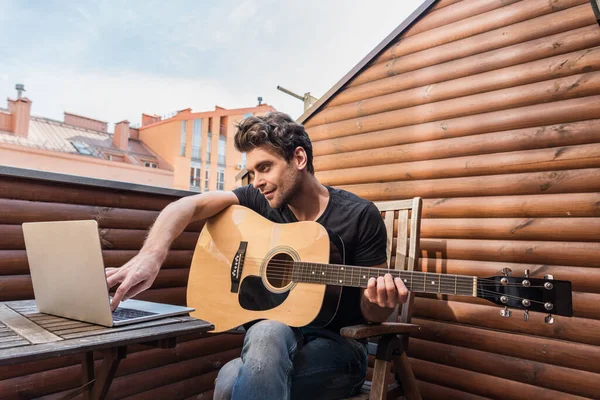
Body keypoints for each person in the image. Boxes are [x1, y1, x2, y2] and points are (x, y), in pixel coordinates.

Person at [105, 111, 409, 400]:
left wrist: (380, 301)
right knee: (267, 331)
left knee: (228, 381)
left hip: (339, 348)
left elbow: (374, 315)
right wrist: (151, 257)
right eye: (251, 172)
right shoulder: (258, 199)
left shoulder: (358, 215)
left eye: (264, 167)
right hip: (272, 346)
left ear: (299, 158)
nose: (257, 181)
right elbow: (185, 207)